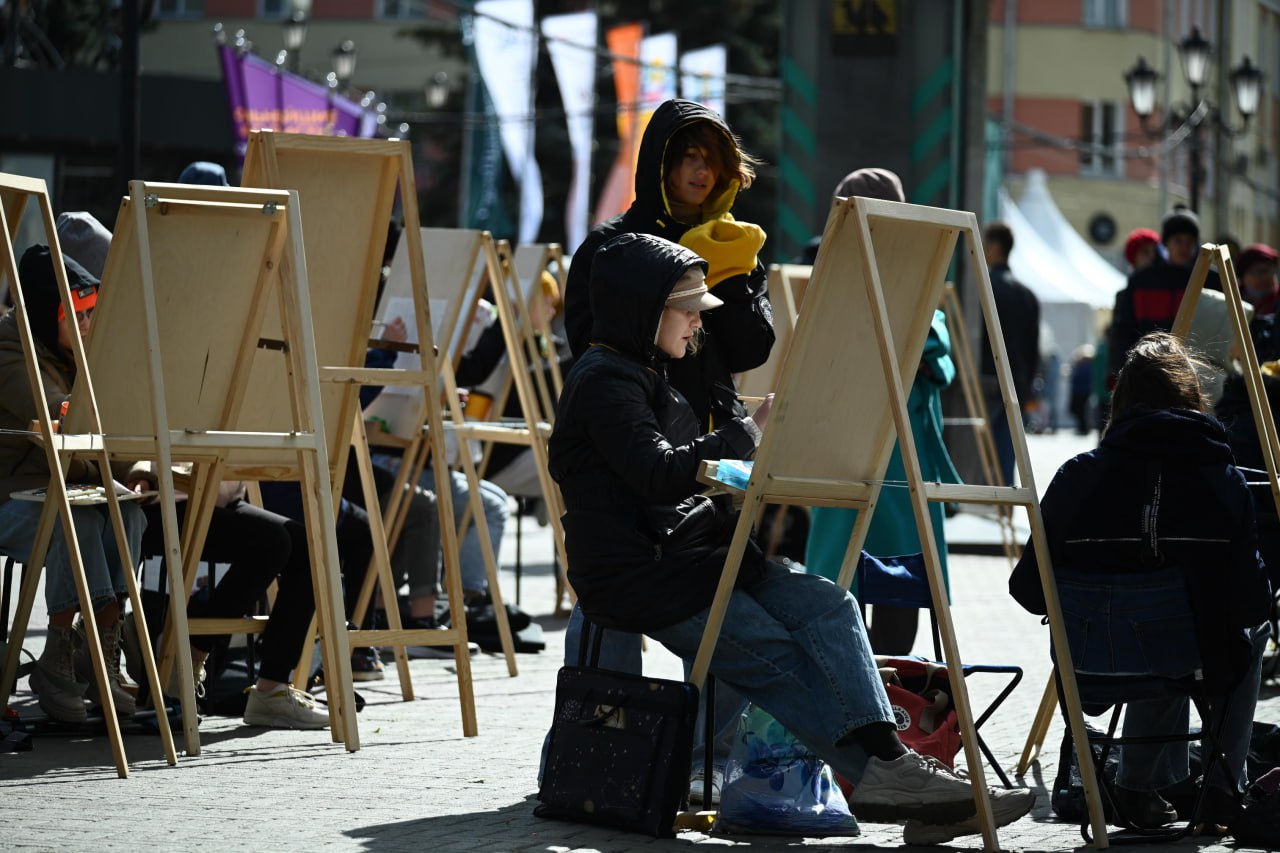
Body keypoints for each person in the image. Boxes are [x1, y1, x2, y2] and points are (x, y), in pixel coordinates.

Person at [549, 231, 1033, 844]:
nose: (698, 323)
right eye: (689, 308)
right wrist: (744, 435)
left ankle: (896, 766)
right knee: (773, 652)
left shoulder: (647, 370)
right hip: (643, 575)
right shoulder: (605, 379)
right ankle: (883, 779)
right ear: (644, 308)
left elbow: (678, 474)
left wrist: (750, 446)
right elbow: (657, 474)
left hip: (690, 558)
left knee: (829, 603)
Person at [559, 97, 775, 804]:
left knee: (722, 594)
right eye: (686, 155)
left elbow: (750, 348)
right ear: (660, 162)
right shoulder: (611, 245)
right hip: (626, 447)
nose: (698, 170)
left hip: (711, 452)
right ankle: (595, 755)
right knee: (609, 583)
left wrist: (734, 277)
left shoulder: (735, 241)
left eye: (710, 159)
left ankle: (699, 762)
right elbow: (592, 343)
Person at [1010, 333, 1270, 831]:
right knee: (1223, 633)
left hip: (1091, 663)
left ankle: (1141, 790)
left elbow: (1027, 588)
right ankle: (1217, 789)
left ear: (1120, 400)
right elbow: (1254, 601)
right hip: (1189, 657)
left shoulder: (1078, 475)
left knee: (1162, 628)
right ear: (1192, 399)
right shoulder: (1222, 478)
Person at [804, 168, 961, 654]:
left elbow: (934, 359)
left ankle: (877, 703)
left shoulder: (897, 272)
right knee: (870, 582)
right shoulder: (885, 271)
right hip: (870, 447)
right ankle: (875, 703)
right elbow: (937, 360)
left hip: (881, 449)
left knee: (879, 580)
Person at [0, 246, 151, 722]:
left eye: (92, 313)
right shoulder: (10, 350)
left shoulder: (84, 351)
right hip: (10, 499)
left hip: (64, 490)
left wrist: (131, 467)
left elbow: (113, 434)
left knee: (131, 511)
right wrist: (112, 462)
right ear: (48, 315)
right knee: (77, 519)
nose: (88, 325)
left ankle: (100, 647)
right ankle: (59, 653)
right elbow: (66, 442)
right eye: (77, 314)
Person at [1108, 207, 1220, 383]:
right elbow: (1123, 331)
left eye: (1189, 242)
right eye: (1178, 241)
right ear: (1166, 243)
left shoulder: (1210, 280)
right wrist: (1118, 373)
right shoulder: (1142, 281)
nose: (1184, 247)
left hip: (1196, 373)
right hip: (1147, 373)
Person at [979, 221, 1040, 487]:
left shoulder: (983, 286)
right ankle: (1002, 501)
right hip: (1016, 381)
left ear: (994, 246)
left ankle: (973, 499)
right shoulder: (1027, 294)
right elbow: (1033, 347)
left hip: (985, 376)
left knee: (975, 446)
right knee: (1006, 448)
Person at [1237, 243, 1279, 319]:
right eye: (1258, 271)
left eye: (1269, 271)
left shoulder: (1277, 300)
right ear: (1243, 276)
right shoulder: (1232, 300)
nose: (1264, 277)